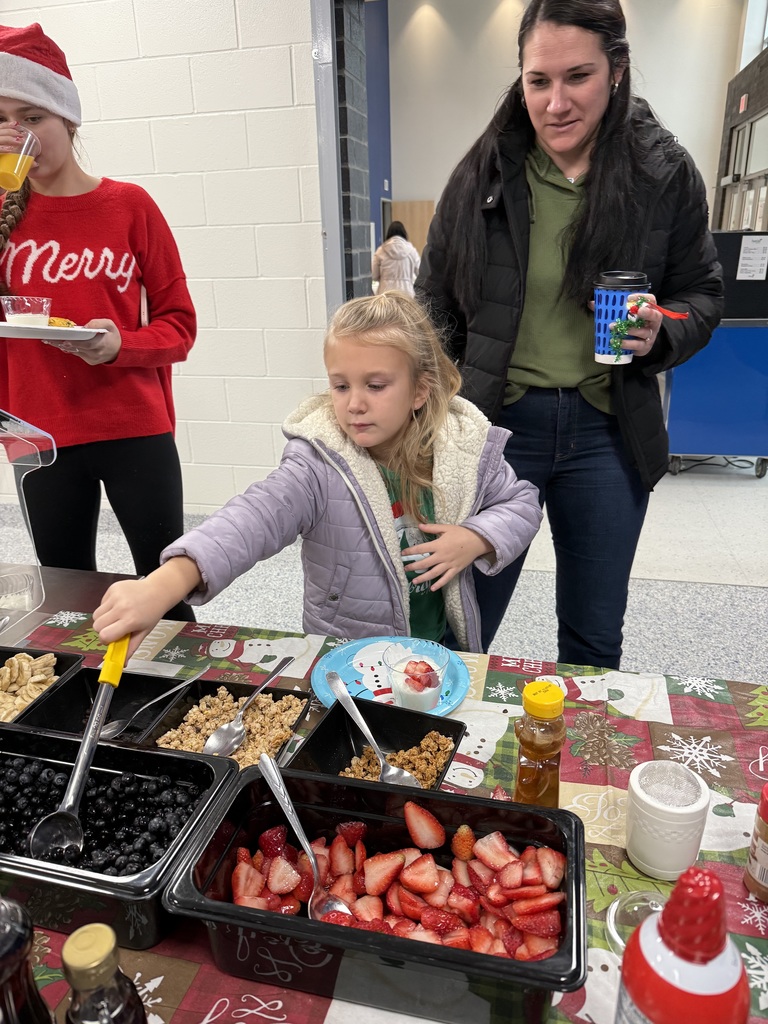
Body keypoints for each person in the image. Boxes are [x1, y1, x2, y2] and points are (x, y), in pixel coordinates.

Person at [415, 0, 723, 668]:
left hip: (606, 434)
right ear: (520, 79)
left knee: (591, 639)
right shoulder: (483, 175)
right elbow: (432, 303)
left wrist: (659, 332)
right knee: (464, 631)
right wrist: (437, 411)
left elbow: (701, 293)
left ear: (616, 71)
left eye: (576, 77)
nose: (556, 102)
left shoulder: (662, 174)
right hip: (498, 431)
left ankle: (577, 769)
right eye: (538, 81)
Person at [93, 291, 543, 655]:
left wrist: (477, 539)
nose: (354, 403)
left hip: (438, 646)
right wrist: (162, 585)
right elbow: (252, 519)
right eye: (341, 385)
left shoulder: (460, 450)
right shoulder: (317, 462)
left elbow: (520, 502)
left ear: (420, 390)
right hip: (347, 651)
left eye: (376, 385)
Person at [0, 23, 196, 621]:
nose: (15, 133)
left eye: (31, 116)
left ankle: (176, 706)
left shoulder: (129, 207)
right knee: (66, 600)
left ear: (68, 119)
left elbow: (179, 326)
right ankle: (83, 707)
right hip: (35, 434)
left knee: (167, 587)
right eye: (0, 119)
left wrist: (120, 346)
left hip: (132, 422)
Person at [372, 220, 421, 297]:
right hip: (406, 294)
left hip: (386, 293)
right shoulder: (412, 251)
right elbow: (420, 273)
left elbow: (374, 275)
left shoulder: (380, 251)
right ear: (404, 234)